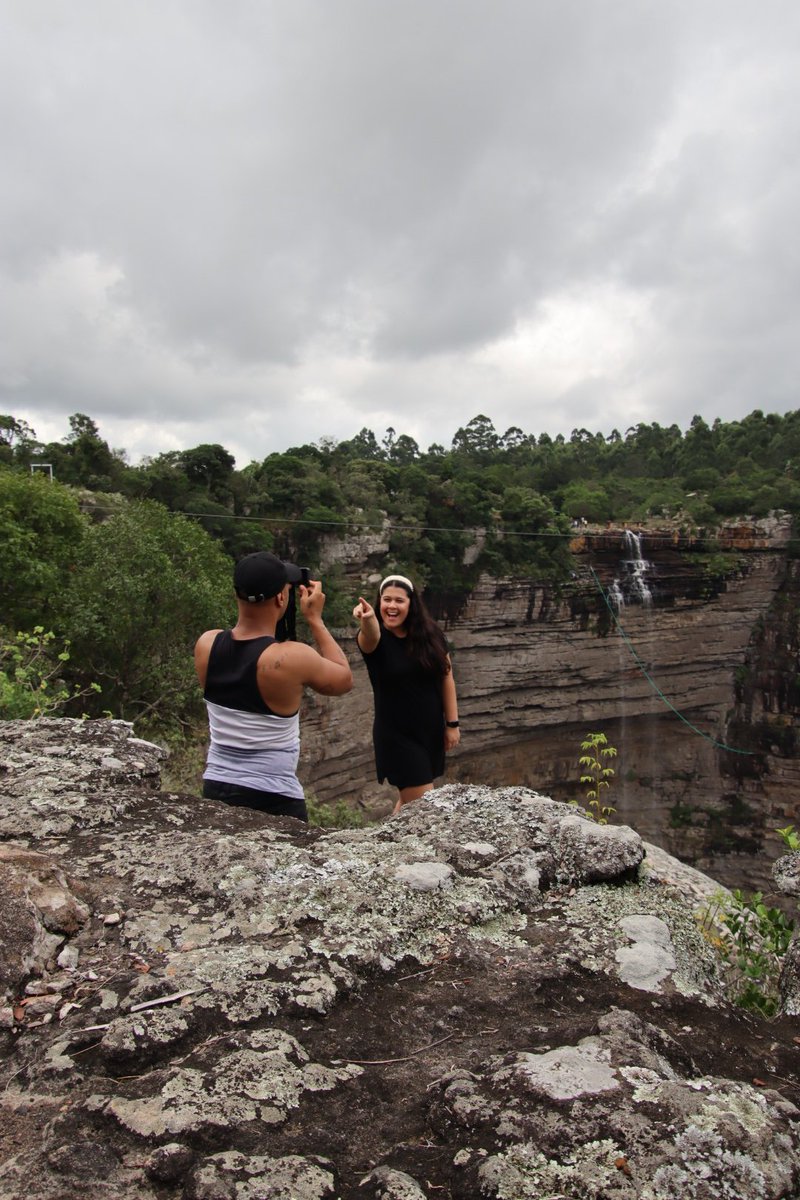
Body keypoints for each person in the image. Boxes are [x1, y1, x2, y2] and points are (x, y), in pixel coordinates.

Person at [194, 551, 353, 822]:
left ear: (237, 594)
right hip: (274, 798)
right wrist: (315, 620)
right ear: (281, 597)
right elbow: (343, 680)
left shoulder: (207, 645)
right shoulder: (288, 657)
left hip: (216, 789)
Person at [352, 573, 460, 815]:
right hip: (397, 737)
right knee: (424, 806)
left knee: (409, 804)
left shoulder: (430, 635)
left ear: (411, 604)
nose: (391, 606)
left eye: (399, 600)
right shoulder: (376, 640)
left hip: (429, 732)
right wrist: (367, 619)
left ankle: (388, 844)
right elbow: (369, 634)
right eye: (386, 599)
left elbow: (446, 677)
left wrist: (452, 723)